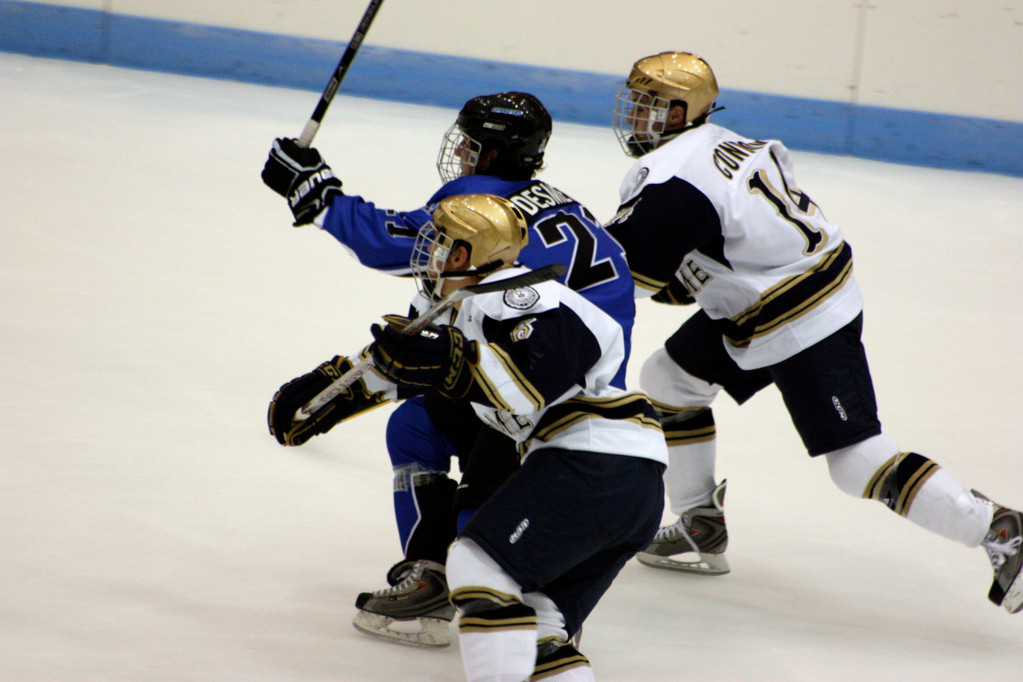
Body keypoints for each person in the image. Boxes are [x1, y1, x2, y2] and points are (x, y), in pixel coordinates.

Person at [603, 50, 1023, 613]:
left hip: (803, 317)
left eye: (649, 106)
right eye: (634, 103)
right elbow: (722, 242)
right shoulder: (722, 141)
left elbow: (633, 273)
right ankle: (700, 522)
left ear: (680, 113)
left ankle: (1000, 531)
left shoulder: (674, 180)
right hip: (768, 299)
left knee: (858, 464)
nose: (635, 117)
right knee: (669, 378)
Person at [260, 92, 637, 646]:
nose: (434, 249)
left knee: (491, 457)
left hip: (567, 423)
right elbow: (426, 349)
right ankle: (434, 575)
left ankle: (484, 586)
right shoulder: (530, 223)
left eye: (470, 143)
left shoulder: (491, 229)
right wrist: (340, 387)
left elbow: (394, 244)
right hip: (567, 404)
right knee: (417, 422)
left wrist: (317, 196)